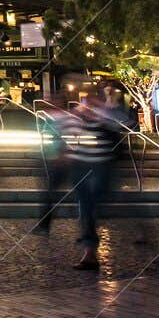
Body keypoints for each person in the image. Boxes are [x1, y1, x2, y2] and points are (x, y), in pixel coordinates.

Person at [64, 83, 130, 269]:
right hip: (81, 166)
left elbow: (125, 123)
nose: (90, 100)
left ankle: (91, 243)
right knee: (86, 207)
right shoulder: (79, 114)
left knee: (93, 205)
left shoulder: (108, 114)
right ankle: (89, 251)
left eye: (94, 96)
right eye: (88, 97)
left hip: (102, 166)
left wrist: (101, 115)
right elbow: (70, 134)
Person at [30, 99, 70, 234]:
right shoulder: (53, 117)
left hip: (57, 160)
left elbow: (62, 137)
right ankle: (44, 225)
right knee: (50, 192)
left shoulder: (61, 118)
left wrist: (61, 155)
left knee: (50, 193)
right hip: (50, 157)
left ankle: (44, 225)